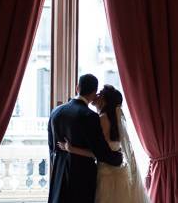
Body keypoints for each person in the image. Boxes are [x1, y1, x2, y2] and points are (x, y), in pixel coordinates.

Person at [57, 85, 150, 203]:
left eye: (100, 94)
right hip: (121, 173)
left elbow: (98, 153)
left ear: (104, 100)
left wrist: (71, 149)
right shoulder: (115, 120)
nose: (96, 95)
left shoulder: (101, 119)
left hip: (107, 176)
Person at [48, 74, 123, 203]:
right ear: (94, 92)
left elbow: (52, 147)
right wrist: (117, 158)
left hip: (58, 175)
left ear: (77, 88)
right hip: (82, 180)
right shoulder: (89, 116)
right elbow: (101, 152)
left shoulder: (56, 112)